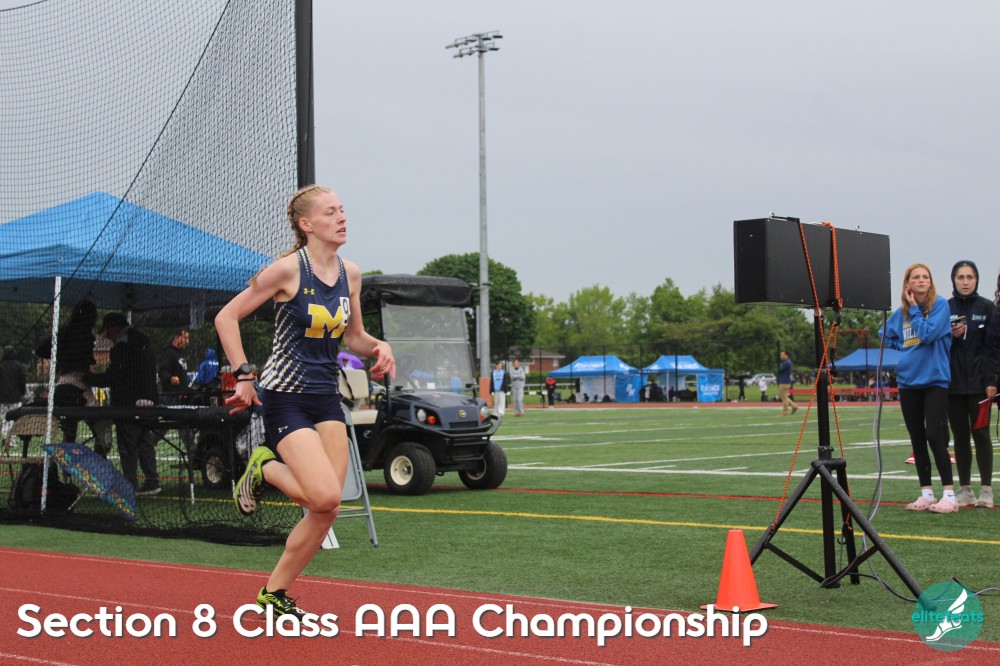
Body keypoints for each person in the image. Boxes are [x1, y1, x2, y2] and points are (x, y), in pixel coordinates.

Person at [215, 184, 395, 619]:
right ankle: (264, 466)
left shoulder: (351, 273)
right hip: (285, 397)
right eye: (331, 212)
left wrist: (379, 346)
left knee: (326, 508)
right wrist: (244, 374)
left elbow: (353, 336)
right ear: (306, 224)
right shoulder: (286, 270)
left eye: (342, 210)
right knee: (324, 495)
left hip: (326, 397)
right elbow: (226, 316)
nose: (342, 218)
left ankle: (273, 593)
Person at [880, 263, 956, 513]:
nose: (922, 280)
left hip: (935, 381)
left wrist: (914, 309)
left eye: (925, 277)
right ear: (908, 284)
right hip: (908, 381)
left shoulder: (940, 306)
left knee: (934, 434)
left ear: (930, 282)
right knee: (916, 436)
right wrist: (904, 348)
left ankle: (949, 495)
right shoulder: (900, 313)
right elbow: (884, 334)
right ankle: (926, 493)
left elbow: (927, 334)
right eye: (916, 277)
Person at [86, 312, 161, 495]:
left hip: (128, 404)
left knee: (128, 446)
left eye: (107, 331)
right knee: (145, 442)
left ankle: (130, 485)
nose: (107, 336)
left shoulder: (123, 347)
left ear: (114, 328)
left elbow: (115, 377)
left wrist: (90, 379)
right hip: (149, 401)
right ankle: (152, 481)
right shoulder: (144, 342)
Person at [945, 261, 994, 509]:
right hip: (952, 385)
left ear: (977, 279)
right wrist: (949, 335)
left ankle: (986, 489)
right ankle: (964, 489)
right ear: (953, 280)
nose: (965, 282)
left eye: (970, 277)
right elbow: (936, 344)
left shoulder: (987, 307)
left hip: (980, 386)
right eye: (961, 277)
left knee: (981, 435)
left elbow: (993, 348)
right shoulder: (944, 307)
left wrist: (992, 381)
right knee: (960, 436)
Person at [34, 299, 111, 455]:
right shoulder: (86, 336)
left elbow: (40, 350)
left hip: (62, 385)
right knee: (103, 428)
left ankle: (67, 467)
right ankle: (100, 461)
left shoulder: (64, 332)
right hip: (78, 386)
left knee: (69, 432)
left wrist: (60, 356)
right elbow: (87, 359)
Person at [158, 329, 194, 455]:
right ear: (177, 337)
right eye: (185, 338)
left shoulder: (180, 354)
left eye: (188, 339)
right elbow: (162, 372)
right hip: (170, 397)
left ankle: (193, 455)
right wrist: (170, 378)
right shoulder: (169, 353)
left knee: (184, 427)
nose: (187, 341)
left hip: (180, 397)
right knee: (163, 427)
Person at [0, 344, 27, 441]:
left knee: (5, 418)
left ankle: (5, 437)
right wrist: (22, 392)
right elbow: (22, 381)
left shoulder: (1, 366)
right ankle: (11, 439)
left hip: (2, 399)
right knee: (15, 419)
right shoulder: (19, 366)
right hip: (15, 398)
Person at [777, 351, 798, 415]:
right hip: (785, 381)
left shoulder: (786, 362)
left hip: (784, 382)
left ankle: (785, 411)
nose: (781, 356)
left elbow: (780, 370)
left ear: (786, 355)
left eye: (782, 355)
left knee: (783, 396)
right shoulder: (787, 362)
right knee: (783, 396)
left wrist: (780, 366)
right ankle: (794, 406)